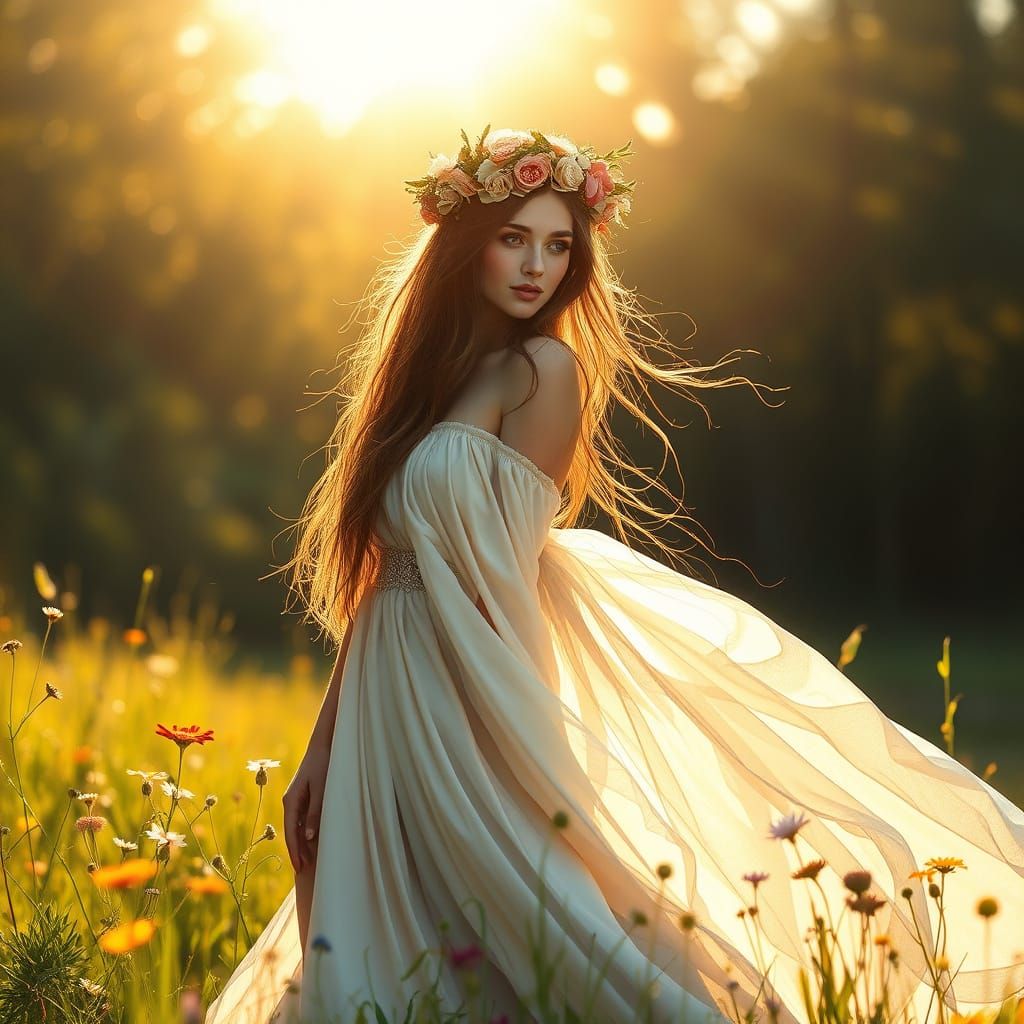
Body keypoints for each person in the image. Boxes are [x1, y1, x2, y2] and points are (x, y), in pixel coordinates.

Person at [205, 127, 1024, 1024]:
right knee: (386, 917)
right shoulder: (427, 381)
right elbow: (383, 575)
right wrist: (326, 742)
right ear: (465, 241)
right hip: (385, 688)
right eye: (516, 237)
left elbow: (502, 575)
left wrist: (499, 741)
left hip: (467, 686)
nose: (538, 266)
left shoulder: (540, 369)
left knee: (521, 911)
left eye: (560, 246)